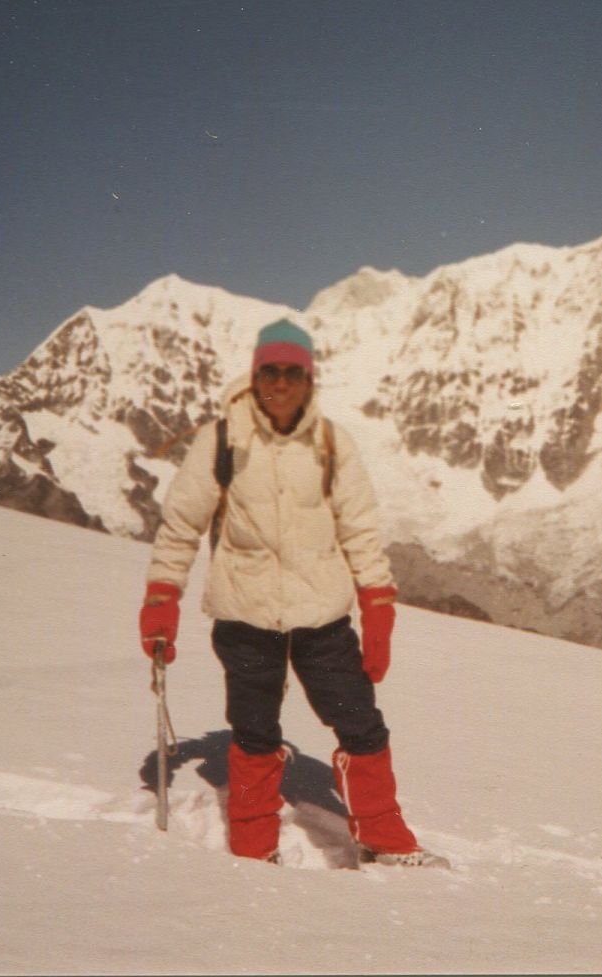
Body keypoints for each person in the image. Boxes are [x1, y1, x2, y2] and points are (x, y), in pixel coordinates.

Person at [137, 319, 444, 868]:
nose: (280, 384)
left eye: (292, 373)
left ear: (309, 379)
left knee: (360, 723)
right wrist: (162, 600)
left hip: (321, 617)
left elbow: (360, 529)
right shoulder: (222, 439)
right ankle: (253, 844)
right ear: (255, 377)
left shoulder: (331, 443)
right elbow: (180, 526)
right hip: (244, 616)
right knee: (254, 731)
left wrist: (377, 605)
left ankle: (384, 836)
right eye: (269, 372)